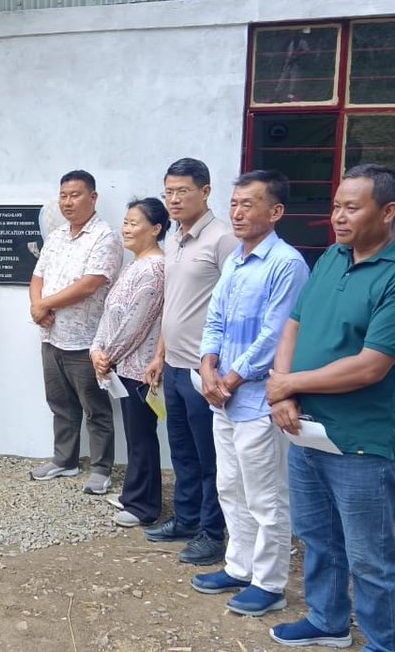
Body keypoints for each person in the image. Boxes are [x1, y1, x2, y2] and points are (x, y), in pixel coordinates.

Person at [267, 165, 395, 651]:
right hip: (306, 429)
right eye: (336, 205)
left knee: (370, 556)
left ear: (388, 212)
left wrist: (285, 385)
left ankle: (385, 644)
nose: (338, 217)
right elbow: (294, 325)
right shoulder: (331, 258)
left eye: (351, 207)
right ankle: (328, 621)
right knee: (317, 538)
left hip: (361, 442)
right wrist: (287, 392)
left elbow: (370, 367)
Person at [193, 171, 309, 616]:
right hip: (223, 397)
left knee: (266, 496)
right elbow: (215, 321)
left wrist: (232, 379)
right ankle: (238, 567)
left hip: (259, 400)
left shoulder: (287, 264)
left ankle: (270, 582)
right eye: (235, 203)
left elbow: (275, 335)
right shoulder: (235, 262)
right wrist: (208, 367)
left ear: (275, 212)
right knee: (230, 487)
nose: (237, 212)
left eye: (248, 204)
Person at [143, 157, 237, 566]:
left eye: (182, 191)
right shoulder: (175, 239)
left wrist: (214, 366)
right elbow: (174, 305)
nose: (174, 199)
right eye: (168, 192)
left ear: (205, 191)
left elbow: (233, 310)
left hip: (204, 371)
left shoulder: (222, 240)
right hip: (176, 366)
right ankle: (185, 518)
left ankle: (212, 534)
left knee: (208, 457)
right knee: (181, 451)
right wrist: (160, 353)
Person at [29, 170, 123, 495]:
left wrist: (44, 305)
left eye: (75, 195)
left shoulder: (105, 237)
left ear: (93, 197)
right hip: (52, 336)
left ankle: (100, 469)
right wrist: (36, 306)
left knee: (95, 409)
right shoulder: (56, 236)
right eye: (64, 195)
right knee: (60, 404)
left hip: (87, 341)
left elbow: (89, 285)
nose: (68, 202)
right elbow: (37, 275)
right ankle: (64, 460)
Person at [90, 197, 168, 526]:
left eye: (134, 223)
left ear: (156, 229)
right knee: (136, 437)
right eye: (125, 221)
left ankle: (144, 506)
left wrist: (108, 356)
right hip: (123, 365)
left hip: (140, 368)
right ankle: (132, 496)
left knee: (142, 437)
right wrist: (98, 350)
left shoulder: (155, 268)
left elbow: (137, 323)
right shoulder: (134, 264)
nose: (126, 228)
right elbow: (111, 314)